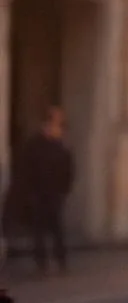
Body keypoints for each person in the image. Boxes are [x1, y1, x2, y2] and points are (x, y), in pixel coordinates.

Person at [5, 106, 73, 274]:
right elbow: (26, 169)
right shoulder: (34, 145)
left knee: (57, 228)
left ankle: (60, 260)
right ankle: (41, 263)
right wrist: (28, 191)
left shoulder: (62, 145)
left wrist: (64, 189)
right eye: (55, 122)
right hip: (38, 193)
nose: (57, 127)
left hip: (55, 193)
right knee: (39, 230)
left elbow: (69, 169)